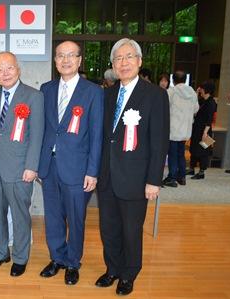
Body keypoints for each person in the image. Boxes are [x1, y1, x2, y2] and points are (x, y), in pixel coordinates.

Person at [95, 38, 169, 296]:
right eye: (118, 58)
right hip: (106, 176)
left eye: (129, 57)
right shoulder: (106, 94)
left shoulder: (155, 95)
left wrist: (154, 180)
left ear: (139, 61)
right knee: (109, 228)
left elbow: (159, 141)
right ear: (113, 65)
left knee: (131, 229)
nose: (123, 63)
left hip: (137, 179)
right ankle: (112, 268)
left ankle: (129, 274)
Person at [38, 41, 104, 285]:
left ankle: (73, 262)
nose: (65, 60)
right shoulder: (46, 89)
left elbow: (97, 135)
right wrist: (37, 163)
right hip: (49, 166)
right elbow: (42, 130)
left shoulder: (93, 91)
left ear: (79, 60)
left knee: (76, 218)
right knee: (53, 216)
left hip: (78, 168)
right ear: (55, 61)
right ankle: (57, 258)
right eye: (60, 56)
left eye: (71, 56)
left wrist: (93, 171)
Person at [0, 52, 44, 277]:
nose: (5, 73)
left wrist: (32, 166)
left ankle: (20, 257)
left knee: (20, 215)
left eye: (9, 68)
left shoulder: (33, 96)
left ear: (18, 69)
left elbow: (37, 135)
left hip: (20, 169)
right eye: (0, 70)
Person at [162, 70, 199, 187]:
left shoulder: (171, 92)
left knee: (172, 154)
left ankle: (172, 178)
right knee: (180, 153)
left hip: (173, 128)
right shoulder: (192, 93)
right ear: (185, 80)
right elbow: (196, 109)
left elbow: (164, 108)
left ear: (173, 80)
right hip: (185, 129)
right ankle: (182, 177)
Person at [187, 81, 218, 180]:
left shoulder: (211, 102)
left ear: (207, 90)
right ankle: (191, 168)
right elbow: (194, 107)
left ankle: (201, 172)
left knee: (204, 151)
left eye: (202, 88)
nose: (200, 90)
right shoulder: (202, 100)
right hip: (197, 128)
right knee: (193, 148)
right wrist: (196, 94)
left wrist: (205, 132)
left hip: (205, 130)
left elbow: (209, 119)